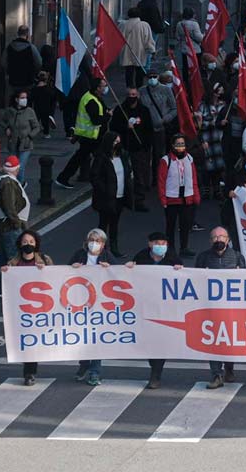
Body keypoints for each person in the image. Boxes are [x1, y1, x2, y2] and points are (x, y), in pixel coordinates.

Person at [126, 232, 182, 389]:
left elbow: (183, 278)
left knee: (160, 340)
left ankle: (155, 374)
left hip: (165, 309)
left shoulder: (172, 258)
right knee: (149, 341)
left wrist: (179, 270)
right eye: (158, 242)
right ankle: (154, 365)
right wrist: (129, 268)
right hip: (144, 307)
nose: (161, 246)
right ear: (150, 244)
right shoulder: (141, 257)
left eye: (164, 243)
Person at [196, 226, 246, 388]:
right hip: (211, 307)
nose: (219, 240)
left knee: (229, 339)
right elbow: (194, 279)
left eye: (222, 237)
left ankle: (229, 367)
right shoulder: (203, 257)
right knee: (214, 340)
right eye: (215, 237)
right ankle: (217, 374)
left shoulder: (237, 256)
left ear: (228, 240)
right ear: (211, 241)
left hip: (232, 307)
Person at [1, 229, 50, 385]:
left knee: (33, 342)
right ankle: (28, 371)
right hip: (21, 310)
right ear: (19, 244)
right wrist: (5, 273)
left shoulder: (44, 260)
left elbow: (56, 280)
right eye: (24, 242)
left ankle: (29, 373)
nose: (28, 245)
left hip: (40, 310)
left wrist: (46, 271)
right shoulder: (13, 263)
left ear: (36, 244)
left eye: (31, 242)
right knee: (24, 342)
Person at [68, 228, 114, 385]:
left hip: (99, 306)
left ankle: (95, 372)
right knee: (81, 336)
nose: (94, 244)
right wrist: (71, 268)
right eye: (92, 240)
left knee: (95, 338)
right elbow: (63, 274)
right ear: (87, 242)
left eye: (98, 241)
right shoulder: (79, 255)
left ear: (103, 244)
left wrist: (110, 269)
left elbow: (119, 276)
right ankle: (84, 365)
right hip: (80, 302)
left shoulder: (108, 257)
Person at [56, 77, 110, 189]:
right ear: (97, 88)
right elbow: (96, 120)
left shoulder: (94, 97)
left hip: (92, 135)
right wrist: (108, 115)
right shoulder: (91, 100)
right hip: (90, 135)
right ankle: (64, 178)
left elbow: (103, 109)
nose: (105, 88)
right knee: (92, 157)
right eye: (103, 86)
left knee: (83, 157)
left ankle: (66, 177)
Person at [109, 87, 154, 212]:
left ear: (138, 95)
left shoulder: (144, 111)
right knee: (122, 173)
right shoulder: (120, 110)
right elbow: (113, 127)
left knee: (139, 174)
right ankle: (122, 198)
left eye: (134, 94)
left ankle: (139, 200)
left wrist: (146, 145)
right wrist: (125, 127)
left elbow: (149, 129)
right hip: (123, 147)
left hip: (138, 147)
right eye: (129, 94)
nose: (131, 96)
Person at [0, 156, 31, 295]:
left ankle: (4, 289)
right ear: (17, 169)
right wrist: (17, 223)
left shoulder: (2, 180)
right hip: (10, 226)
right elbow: (9, 206)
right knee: (14, 258)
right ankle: (14, 291)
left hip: (5, 225)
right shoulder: (8, 183)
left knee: (4, 257)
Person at [90, 131, 132, 258]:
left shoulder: (123, 156)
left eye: (118, 142)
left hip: (119, 196)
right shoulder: (101, 158)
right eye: (115, 142)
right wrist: (105, 190)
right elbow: (94, 177)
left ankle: (114, 248)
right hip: (106, 198)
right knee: (103, 224)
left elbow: (127, 172)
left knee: (115, 223)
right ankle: (100, 248)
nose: (117, 144)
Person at [158, 133, 200, 259]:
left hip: (187, 197)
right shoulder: (166, 160)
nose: (181, 146)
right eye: (178, 144)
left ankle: (184, 247)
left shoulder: (189, 158)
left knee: (185, 225)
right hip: (171, 198)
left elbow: (193, 178)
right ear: (173, 145)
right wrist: (163, 199)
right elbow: (161, 181)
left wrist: (196, 195)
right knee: (170, 225)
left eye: (182, 144)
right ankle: (170, 249)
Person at [1, 90, 41, 183]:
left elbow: (36, 127)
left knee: (20, 167)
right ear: (16, 99)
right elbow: (3, 122)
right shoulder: (9, 111)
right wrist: (7, 128)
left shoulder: (29, 111)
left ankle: (20, 185)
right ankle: (13, 185)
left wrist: (30, 136)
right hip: (13, 143)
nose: (25, 100)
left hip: (25, 144)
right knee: (11, 167)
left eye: (25, 98)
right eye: (22, 98)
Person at [1, 25, 42, 104]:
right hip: (28, 81)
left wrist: (9, 70)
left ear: (17, 33)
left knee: (13, 101)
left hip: (13, 80)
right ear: (27, 34)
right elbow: (39, 63)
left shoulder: (9, 47)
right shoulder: (31, 48)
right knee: (27, 102)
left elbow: (3, 62)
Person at [119, 7, 156, 87]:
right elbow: (148, 40)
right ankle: (139, 88)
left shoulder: (123, 24)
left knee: (128, 72)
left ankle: (129, 88)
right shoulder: (144, 25)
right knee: (140, 72)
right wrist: (152, 51)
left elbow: (118, 37)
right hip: (140, 52)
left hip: (127, 51)